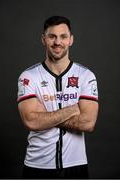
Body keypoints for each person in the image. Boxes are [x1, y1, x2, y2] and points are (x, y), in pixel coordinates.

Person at [17, 15, 99, 179]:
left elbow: (88, 123)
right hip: (36, 165)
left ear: (71, 40)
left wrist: (46, 115)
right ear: (43, 39)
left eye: (63, 36)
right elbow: (31, 121)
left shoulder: (86, 76)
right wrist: (73, 109)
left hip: (75, 165)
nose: (57, 42)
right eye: (52, 36)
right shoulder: (28, 77)